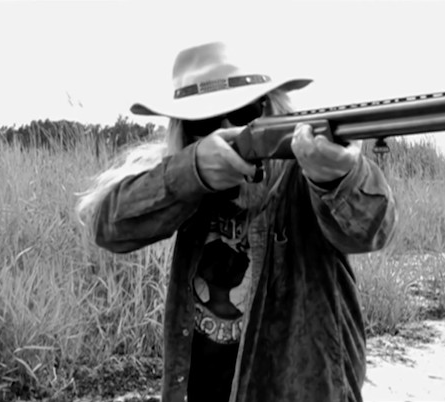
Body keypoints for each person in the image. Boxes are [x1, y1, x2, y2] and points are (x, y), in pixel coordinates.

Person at [76, 41, 397, 402]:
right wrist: (192, 171)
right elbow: (107, 225)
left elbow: (372, 227)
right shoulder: (186, 178)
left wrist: (336, 177)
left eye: (244, 111)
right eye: (206, 120)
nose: (227, 130)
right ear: (187, 132)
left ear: (271, 108)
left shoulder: (305, 173)